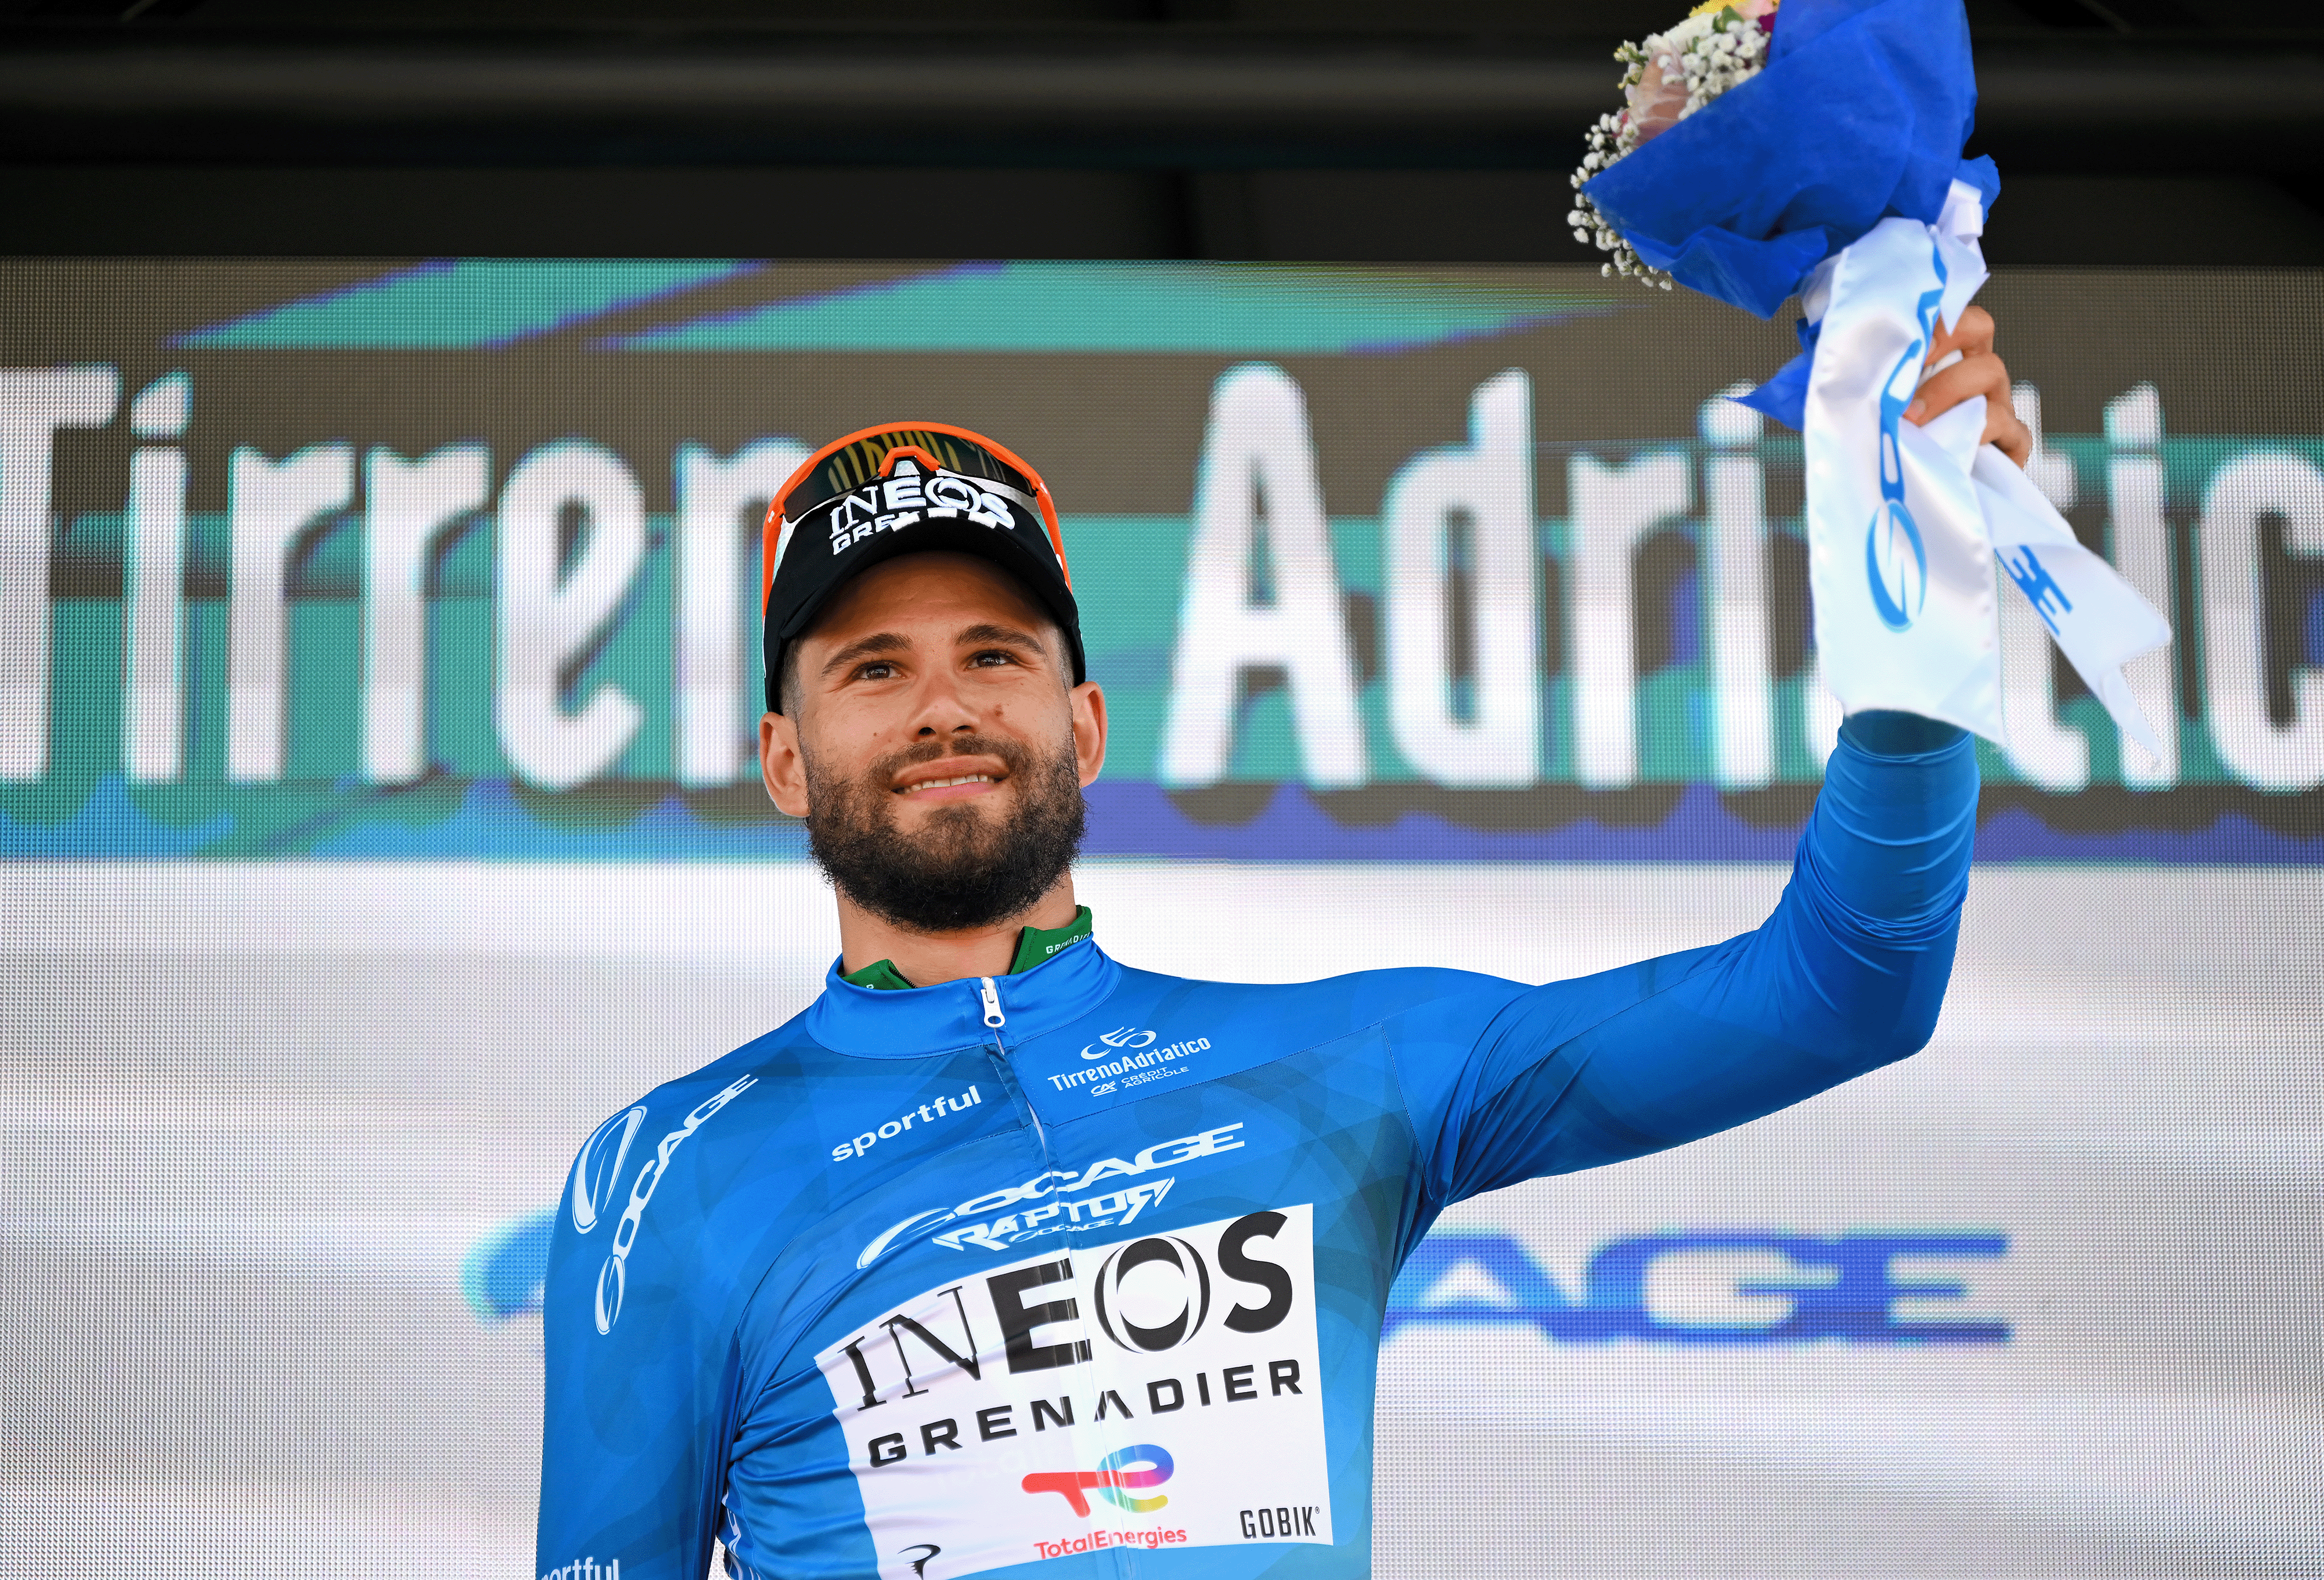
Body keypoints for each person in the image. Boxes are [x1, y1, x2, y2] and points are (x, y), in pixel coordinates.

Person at [536, 311, 2027, 1580]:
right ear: (785, 759)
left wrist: (1921, 634)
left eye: (995, 655)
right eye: (876, 668)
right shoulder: (666, 1174)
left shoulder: (1353, 1063)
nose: (945, 710)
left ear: (1085, 725)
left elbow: (1842, 991)